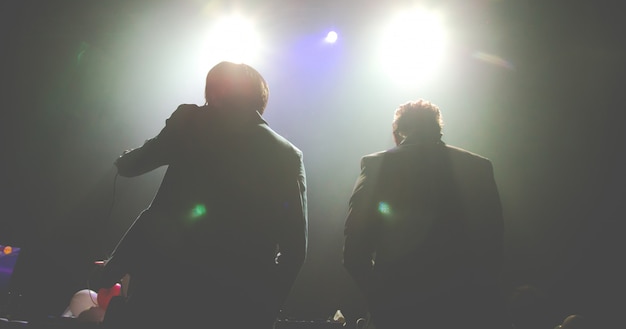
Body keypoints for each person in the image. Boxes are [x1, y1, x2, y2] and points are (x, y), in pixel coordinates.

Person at [98, 61, 308, 329]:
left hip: (165, 288)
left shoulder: (192, 121)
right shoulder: (287, 154)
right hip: (235, 302)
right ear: (259, 99)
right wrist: (262, 309)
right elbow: (295, 251)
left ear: (215, 91)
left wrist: (123, 159)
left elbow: (137, 168)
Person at [343, 99, 505, 329]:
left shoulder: (377, 164)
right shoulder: (478, 167)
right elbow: (494, 244)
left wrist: (382, 300)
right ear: (437, 129)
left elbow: (354, 250)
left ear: (398, 132)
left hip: (397, 311)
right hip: (464, 310)